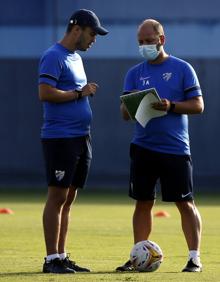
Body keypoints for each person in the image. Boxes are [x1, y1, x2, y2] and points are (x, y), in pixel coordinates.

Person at [116, 19, 204, 273]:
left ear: (161, 40)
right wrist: (134, 106)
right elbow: (123, 112)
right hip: (143, 147)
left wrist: (171, 105)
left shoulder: (182, 68)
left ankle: (194, 258)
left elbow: (198, 105)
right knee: (143, 203)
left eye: (148, 41)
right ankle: (138, 256)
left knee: (185, 203)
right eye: (140, 42)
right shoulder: (134, 73)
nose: (144, 46)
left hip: (175, 149)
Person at [38, 9, 108, 274]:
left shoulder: (76, 58)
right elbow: (45, 93)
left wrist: (80, 94)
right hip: (60, 138)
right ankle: (50, 259)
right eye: (92, 34)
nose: (94, 40)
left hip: (81, 137)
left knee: (69, 197)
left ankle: (62, 255)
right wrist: (80, 93)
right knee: (57, 196)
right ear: (76, 29)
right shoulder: (53, 56)